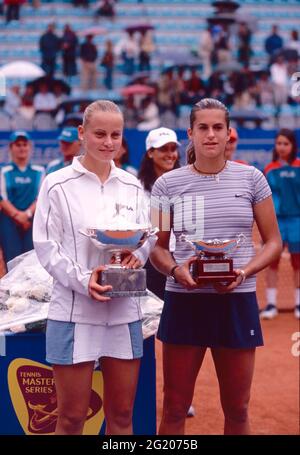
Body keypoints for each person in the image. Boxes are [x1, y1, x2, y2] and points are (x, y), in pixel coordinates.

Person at [150, 98, 282, 435]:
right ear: (190, 133)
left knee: (238, 409)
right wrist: (178, 271)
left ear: (228, 134)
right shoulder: (167, 185)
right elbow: (158, 249)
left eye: (218, 127)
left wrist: (244, 272)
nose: (211, 134)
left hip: (236, 301)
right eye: (203, 128)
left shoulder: (252, 178)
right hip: (184, 301)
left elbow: (273, 243)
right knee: (175, 407)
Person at [33, 100, 154, 435]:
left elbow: (147, 236)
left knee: (122, 417)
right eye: (100, 133)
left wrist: (137, 257)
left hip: (123, 313)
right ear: (82, 134)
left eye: (116, 134)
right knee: (71, 419)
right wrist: (85, 280)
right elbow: (46, 246)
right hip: (74, 313)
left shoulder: (132, 185)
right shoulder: (56, 184)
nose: (108, 142)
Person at [261, 128, 300, 320]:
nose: (282, 147)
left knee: (298, 264)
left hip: (297, 222)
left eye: (286, 143)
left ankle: (298, 304)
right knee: (272, 264)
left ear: (293, 146)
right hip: (275, 223)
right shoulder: (269, 169)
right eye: (279, 143)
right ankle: (271, 304)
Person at [0, 131, 45, 266]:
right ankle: (9, 288)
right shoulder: (4, 170)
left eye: (24, 145)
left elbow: (41, 197)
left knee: (31, 260)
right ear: (11, 147)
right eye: (17, 145)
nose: (21, 148)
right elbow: (2, 197)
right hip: (9, 221)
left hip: (32, 221)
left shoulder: (39, 170)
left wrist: (27, 214)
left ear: (30, 147)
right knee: (11, 259)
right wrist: (17, 215)